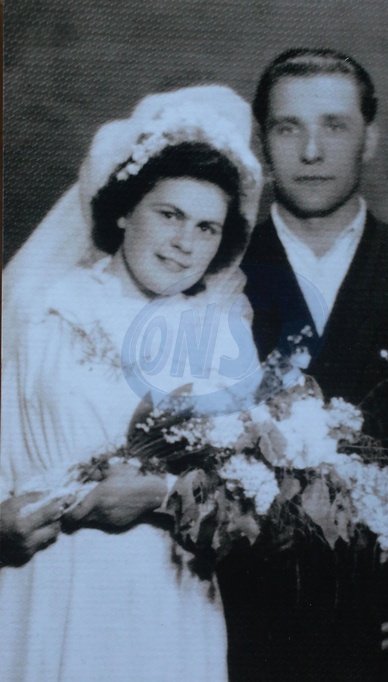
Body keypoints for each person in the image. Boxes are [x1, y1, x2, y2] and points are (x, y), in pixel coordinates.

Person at [0, 85, 262, 681]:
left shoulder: (222, 339)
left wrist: (162, 496)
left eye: (207, 227)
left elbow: (254, 512)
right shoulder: (42, 308)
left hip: (161, 605)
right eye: (169, 215)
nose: (185, 244)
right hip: (40, 586)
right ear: (123, 209)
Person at [220, 48, 388, 680]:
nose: (312, 152)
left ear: (370, 139)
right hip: (245, 631)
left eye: (336, 126)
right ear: (262, 143)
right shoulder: (211, 271)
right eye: (288, 128)